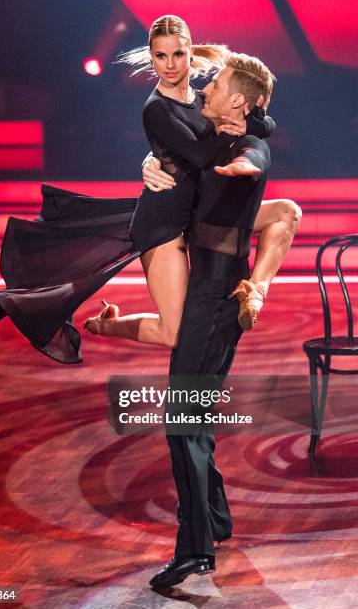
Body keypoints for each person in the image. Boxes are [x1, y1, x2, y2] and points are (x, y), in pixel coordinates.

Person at [0, 14, 291, 363]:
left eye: (177, 55)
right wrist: (229, 130)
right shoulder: (156, 108)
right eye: (160, 56)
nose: (170, 65)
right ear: (151, 56)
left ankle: (257, 289)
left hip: (192, 213)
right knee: (173, 331)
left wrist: (248, 121)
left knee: (285, 212)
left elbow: (267, 121)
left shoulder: (202, 97)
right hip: (163, 224)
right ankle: (107, 326)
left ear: (191, 54)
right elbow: (201, 156)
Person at [149, 51, 274, 588]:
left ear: (238, 101)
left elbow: (256, 152)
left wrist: (246, 165)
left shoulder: (244, 146)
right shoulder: (212, 137)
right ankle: (216, 519)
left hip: (214, 296)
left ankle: (196, 549)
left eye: (216, 83)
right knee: (191, 418)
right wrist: (149, 164)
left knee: (183, 422)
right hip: (210, 296)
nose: (205, 87)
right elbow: (185, 146)